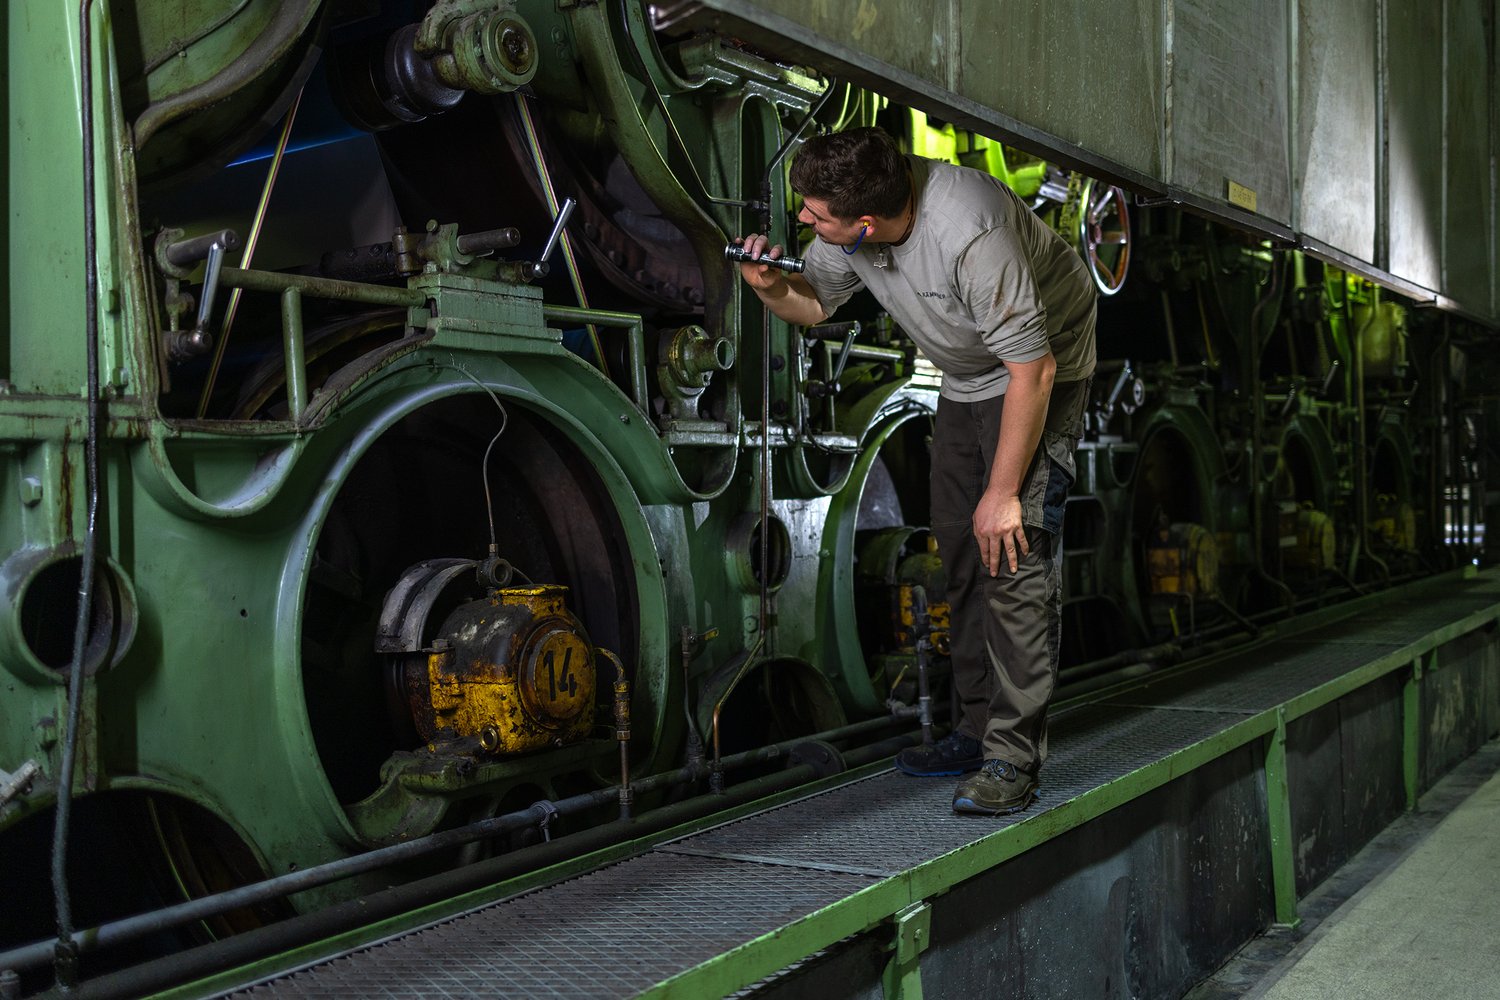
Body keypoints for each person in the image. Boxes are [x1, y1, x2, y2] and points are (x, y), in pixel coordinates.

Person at [735, 126, 1096, 815]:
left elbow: (1035, 367)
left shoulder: (969, 231)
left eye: (814, 213)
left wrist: (1003, 492)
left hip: (1040, 367)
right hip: (967, 378)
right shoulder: (857, 229)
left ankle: (1012, 759)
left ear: (864, 223)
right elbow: (812, 304)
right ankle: (974, 729)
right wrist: (767, 285)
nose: (802, 220)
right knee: (960, 549)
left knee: (1011, 556)